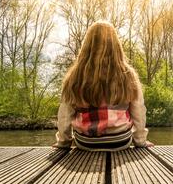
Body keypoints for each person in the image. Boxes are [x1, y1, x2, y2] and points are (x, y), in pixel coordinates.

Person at [53, 21, 154, 151]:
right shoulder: (128, 74)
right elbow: (138, 111)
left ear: (87, 45)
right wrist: (140, 141)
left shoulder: (75, 75)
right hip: (120, 140)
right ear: (116, 45)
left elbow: (65, 114)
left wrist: (63, 142)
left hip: (85, 142)